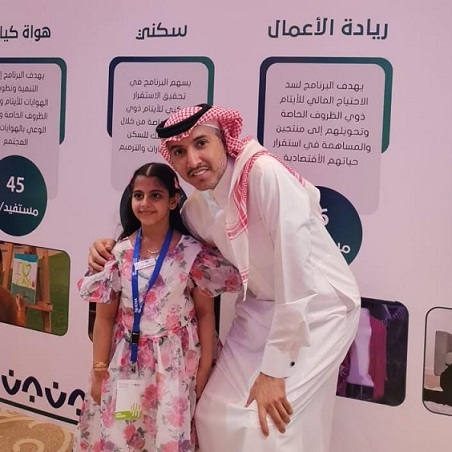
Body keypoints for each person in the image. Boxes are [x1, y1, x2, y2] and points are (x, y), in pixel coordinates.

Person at [89, 104, 361, 451]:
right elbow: (162, 245)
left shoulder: (264, 175)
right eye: (179, 152)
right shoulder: (197, 209)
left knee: (266, 426)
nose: (193, 160)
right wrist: (109, 247)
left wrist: (274, 372)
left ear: (224, 140)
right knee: (211, 413)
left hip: (319, 308)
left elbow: (297, 276)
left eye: (201, 143)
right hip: (261, 308)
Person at [74, 162, 242, 451]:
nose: (145, 203)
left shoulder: (192, 253)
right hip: (128, 362)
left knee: (168, 430)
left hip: (176, 363)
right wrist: (99, 372)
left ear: (173, 201)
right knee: (127, 430)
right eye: (138, 195)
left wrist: (204, 368)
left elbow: (205, 314)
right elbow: (104, 320)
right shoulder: (118, 254)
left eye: (156, 195)